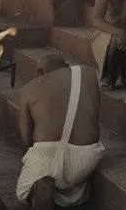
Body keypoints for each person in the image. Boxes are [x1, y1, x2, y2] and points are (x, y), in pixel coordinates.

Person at [16, 54, 104, 209]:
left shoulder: (28, 89)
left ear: (39, 72)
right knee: (76, 187)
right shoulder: (88, 73)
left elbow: (26, 139)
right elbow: (94, 116)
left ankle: (39, 187)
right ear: (66, 66)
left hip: (45, 155)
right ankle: (73, 191)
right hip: (85, 154)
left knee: (24, 191)